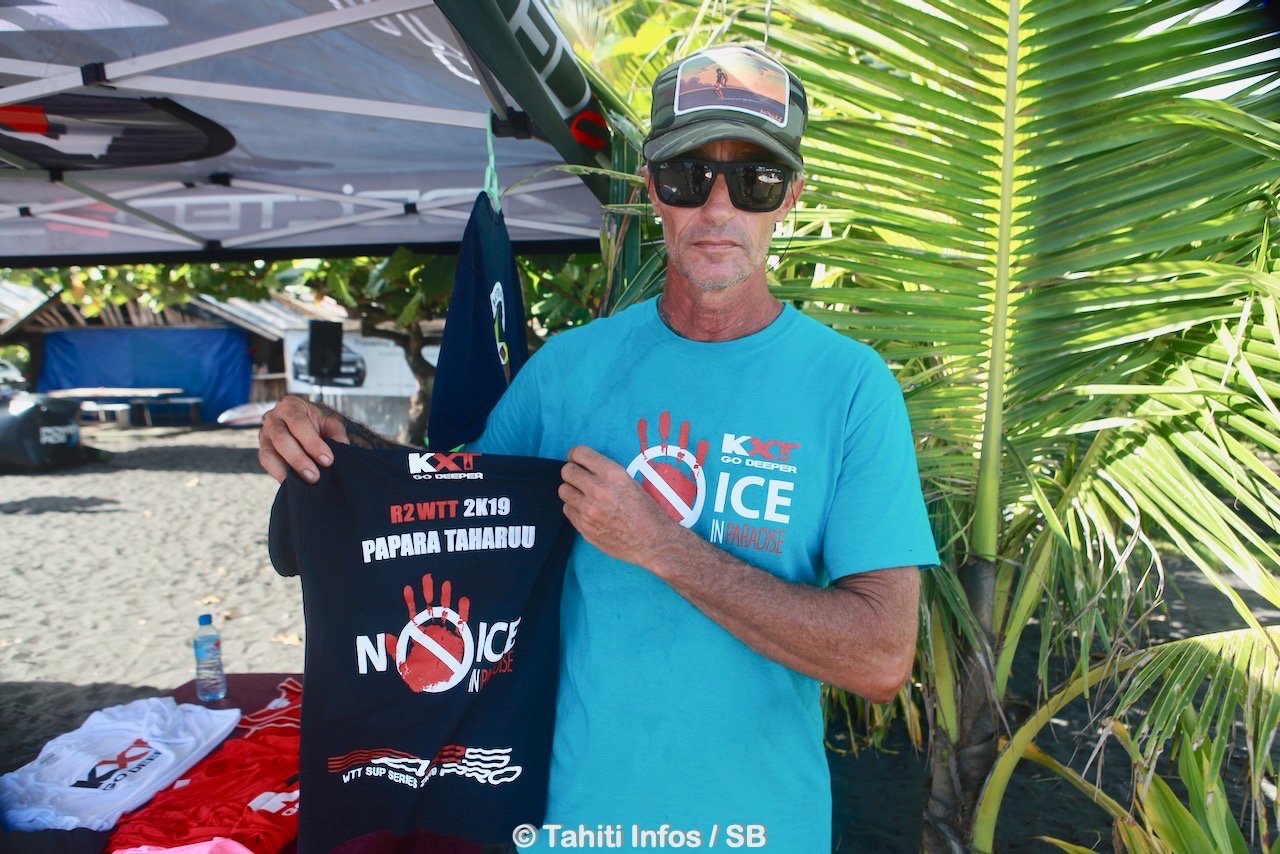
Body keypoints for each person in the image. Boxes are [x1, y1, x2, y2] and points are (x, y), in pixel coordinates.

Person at [260, 44, 938, 853]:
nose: (718, 207)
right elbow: (447, 516)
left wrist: (660, 545)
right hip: (575, 825)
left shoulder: (850, 387)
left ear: (789, 196)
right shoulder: (568, 372)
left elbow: (880, 657)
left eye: (754, 180)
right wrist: (337, 449)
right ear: (653, 189)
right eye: (688, 176)